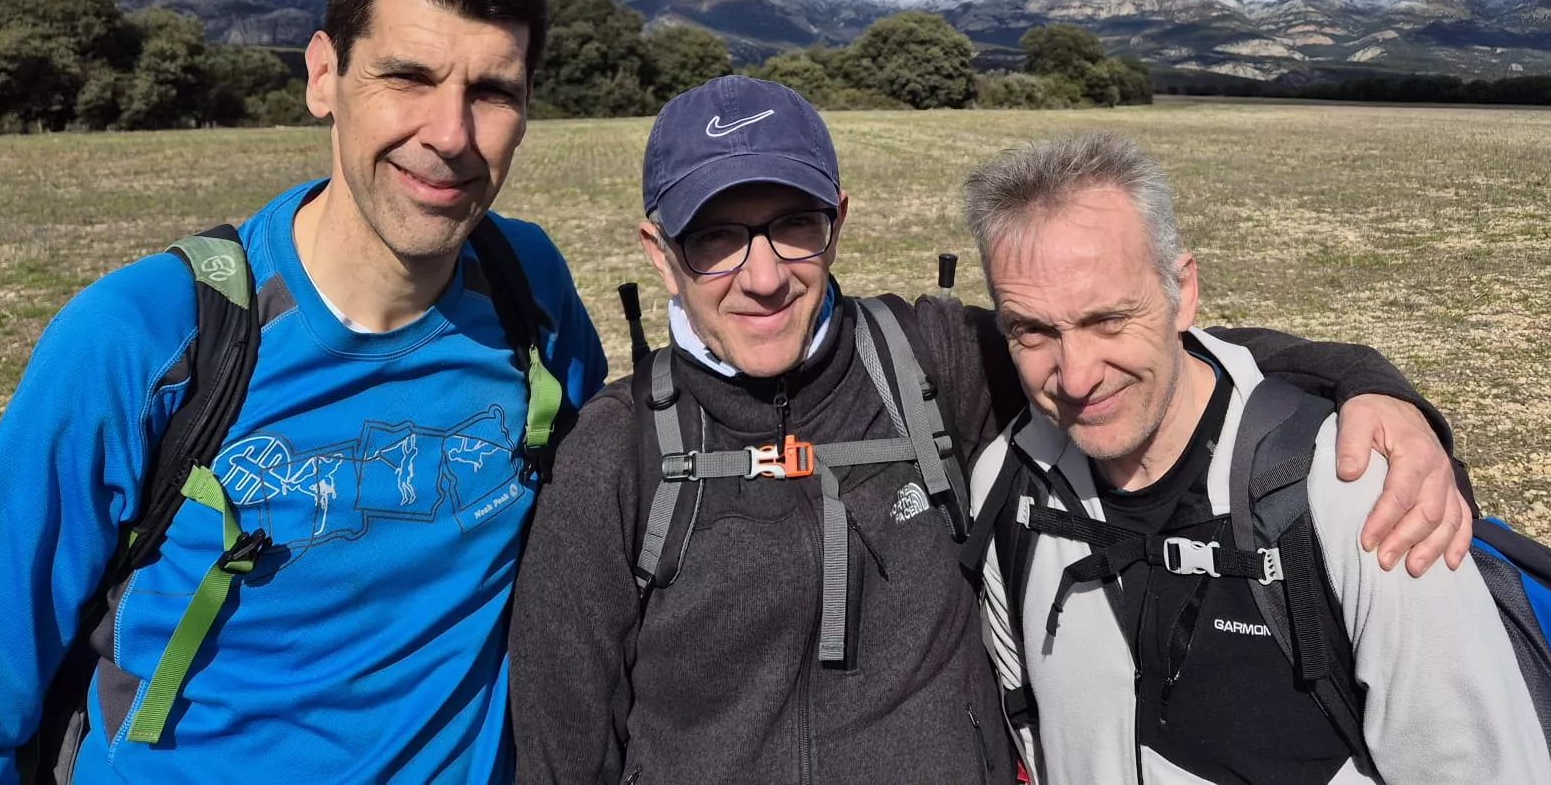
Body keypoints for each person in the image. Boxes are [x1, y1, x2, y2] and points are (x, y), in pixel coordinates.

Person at [508, 76, 1476, 785]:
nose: (761, 275)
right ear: (659, 253)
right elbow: (564, 737)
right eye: (716, 237)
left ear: (837, 223)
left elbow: (1132, 346)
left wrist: (1364, 383)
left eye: (792, 225)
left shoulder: (932, 363)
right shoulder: (615, 454)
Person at [0, 0, 608, 783]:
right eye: (407, 76)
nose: (450, 135)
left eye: (492, 92)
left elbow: (604, 533)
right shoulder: (141, 339)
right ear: (323, 75)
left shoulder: (530, 288)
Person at [964, 131, 1551, 784]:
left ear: (1182, 292)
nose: (1075, 377)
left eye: (1108, 320)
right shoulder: (1009, 485)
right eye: (1034, 331)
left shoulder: (1352, 490)